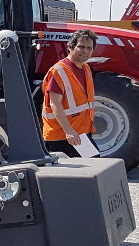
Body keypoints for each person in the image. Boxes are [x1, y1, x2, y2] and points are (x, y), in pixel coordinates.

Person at [41, 28, 99, 156]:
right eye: (81, 47)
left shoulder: (86, 68)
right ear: (71, 47)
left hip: (80, 132)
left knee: (93, 165)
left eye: (89, 48)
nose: (85, 51)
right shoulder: (59, 71)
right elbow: (55, 104)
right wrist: (68, 131)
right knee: (90, 166)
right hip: (62, 135)